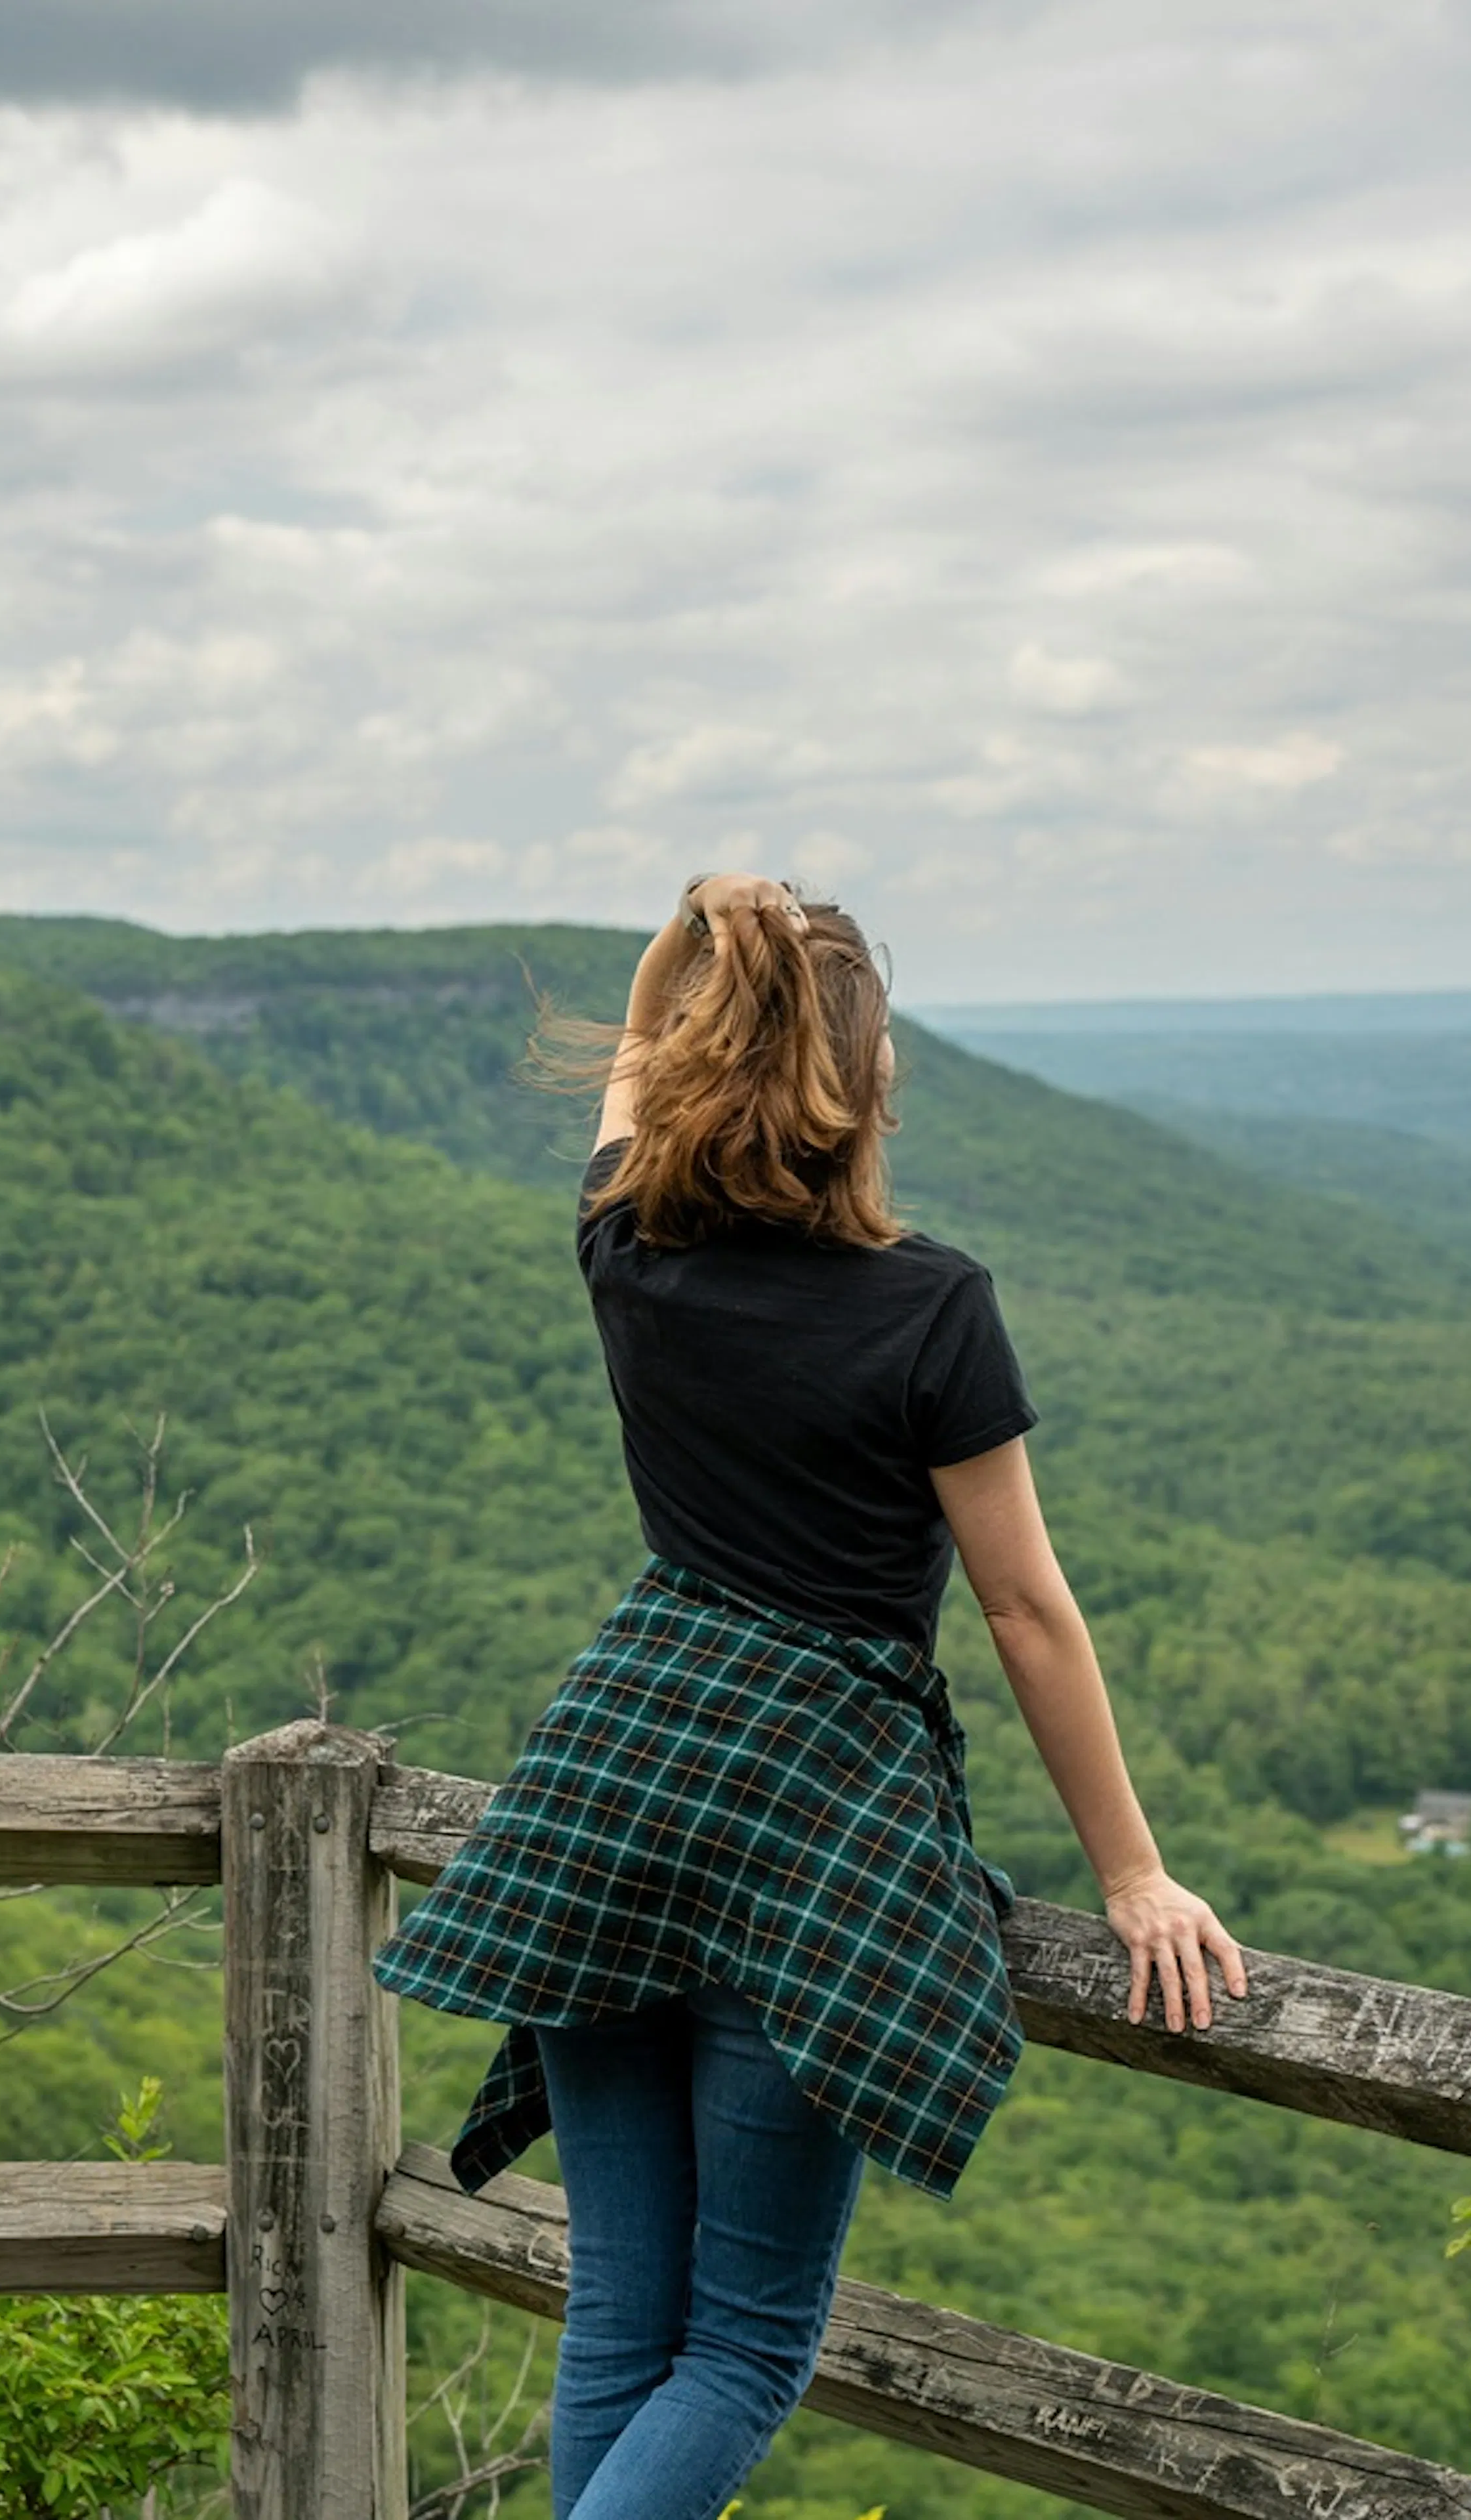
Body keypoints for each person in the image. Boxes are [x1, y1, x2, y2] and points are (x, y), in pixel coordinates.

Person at [370, 871, 1249, 2520]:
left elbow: (636, 1048)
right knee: (750, 2347)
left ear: (704, 1058)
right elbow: (1021, 1609)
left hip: (616, 1780)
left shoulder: (627, 1245)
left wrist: (699, 932)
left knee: (625, 2318)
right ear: (868, 1088)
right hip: (816, 1821)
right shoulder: (933, 1307)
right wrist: (1133, 1873)